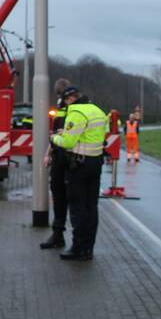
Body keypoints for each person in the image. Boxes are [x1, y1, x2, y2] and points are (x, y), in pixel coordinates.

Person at [51, 85, 108, 261]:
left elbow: (68, 141)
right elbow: (99, 134)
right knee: (92, 207)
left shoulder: (76, 112)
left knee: (78, 207)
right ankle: (88, 249)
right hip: (96, 163)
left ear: (69, 99)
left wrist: (54, 137)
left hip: (79, 165)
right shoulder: (97, 110)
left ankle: (77, 247)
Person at [39, 79, 72, 250]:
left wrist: (48, 153)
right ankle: (59, 234)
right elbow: (54, 136)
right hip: (60, 158)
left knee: (62, 198)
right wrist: (48, 153)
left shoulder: (71, 112)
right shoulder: (60, 112)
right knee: (60, 196)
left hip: (66, 160)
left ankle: (59, 235)